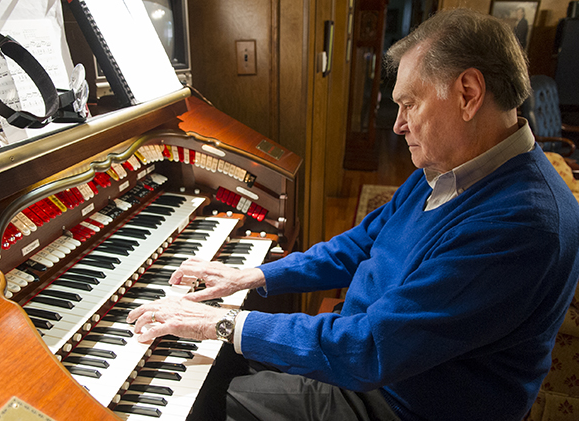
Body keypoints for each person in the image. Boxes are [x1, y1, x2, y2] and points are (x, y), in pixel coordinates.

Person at [127, 8, 579, 421]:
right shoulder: (450, 166)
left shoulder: (522, 224)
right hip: (369, 350)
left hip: (403, 402)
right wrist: (254, 277)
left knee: (207, 401)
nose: (398, 124)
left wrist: (218, 321)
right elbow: (361, 242)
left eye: (409, 103)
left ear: (468, 93)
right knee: (209, 358)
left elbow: (371, 350)